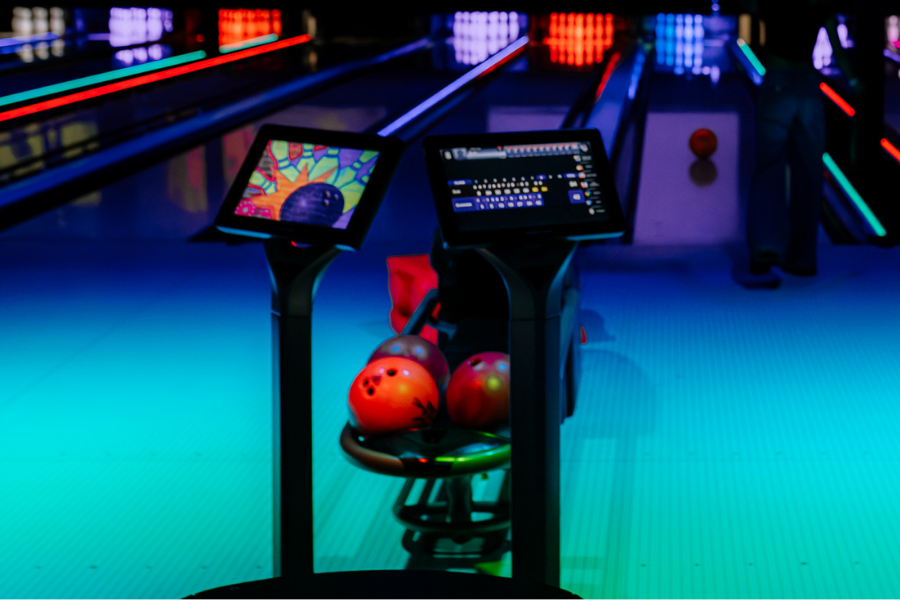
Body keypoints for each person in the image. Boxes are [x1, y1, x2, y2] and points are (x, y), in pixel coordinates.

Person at [745, 0, 859, 278]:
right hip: (809, 87)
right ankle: (802, 259)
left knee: (769, 168)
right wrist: (855, 81)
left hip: (777, 83)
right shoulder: (819, 2)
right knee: (809, 175)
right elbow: (837, 48)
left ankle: (766, 248)